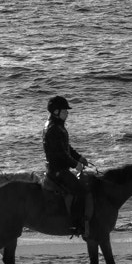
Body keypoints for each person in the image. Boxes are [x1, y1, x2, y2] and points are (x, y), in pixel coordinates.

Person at [42, 95, 93, 235]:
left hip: (59, 167)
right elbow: (60, 154)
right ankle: (75, 224)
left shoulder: (57, 126)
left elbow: (66, 148)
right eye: (64, 110)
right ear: (56, 112)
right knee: (81, 191)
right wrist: (75, 164)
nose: (67, 113)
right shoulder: (53, 129)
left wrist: (79, 157)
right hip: (57, 171)